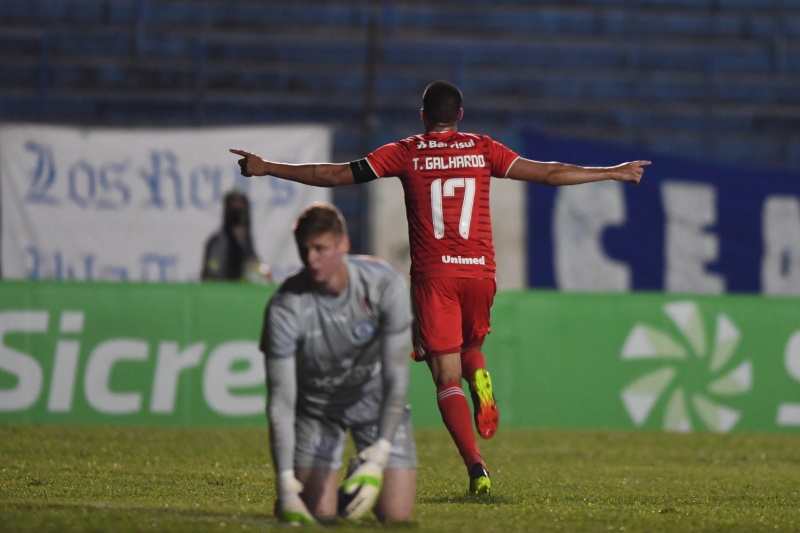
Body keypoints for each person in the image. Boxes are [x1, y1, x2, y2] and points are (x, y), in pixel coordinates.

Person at [233, 80, 650, 495]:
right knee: (470, 349)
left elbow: (333, 175)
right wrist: (611, 173)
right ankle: (480, 375)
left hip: (435, 277)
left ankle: (477, 467)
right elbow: (548, 174)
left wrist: (268, 167)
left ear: (422, 116)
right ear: (460, 116)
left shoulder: (405, 151)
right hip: (480, 274)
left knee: (444, 374)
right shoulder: (484, 148)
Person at [261, 202, 416, 524]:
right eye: (305, 250)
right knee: (317, 514)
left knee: (397, 516)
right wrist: (285, 482)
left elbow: (396, 379)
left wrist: (380, 453)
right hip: (317, 409)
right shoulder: (285, 307)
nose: (311, 259)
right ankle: (317, 488)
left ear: (344, 245)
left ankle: (362, 465)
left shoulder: (384, 285)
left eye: (321, 248)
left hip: (373, 401)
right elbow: (281, 402)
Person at [202, 189, 269, 282]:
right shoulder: (218, 242)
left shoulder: (246, 240)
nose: (238, 209)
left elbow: (254, 267)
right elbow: (210, 275)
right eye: (234, 205)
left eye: (241, 205)